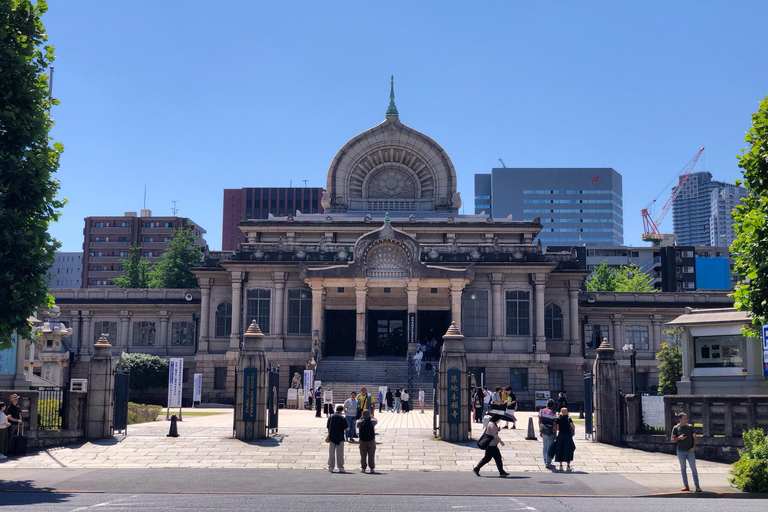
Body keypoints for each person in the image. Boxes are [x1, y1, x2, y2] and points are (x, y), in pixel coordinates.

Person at [671, 412, 702, 492]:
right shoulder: (676, 428)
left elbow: (695, 438)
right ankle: (686, 485)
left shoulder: (690, 427)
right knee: (683, 468)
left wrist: (694, 447)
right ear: (680, 419)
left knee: (693, 468)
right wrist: (679, 438)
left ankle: (697, 485)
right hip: (680, 450)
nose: (686, 420)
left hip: (690, 451)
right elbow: (672, 439)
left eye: (686, 418)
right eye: (684, 418)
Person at [327, 405, 348, 473]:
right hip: (340, 437)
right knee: (340, 453)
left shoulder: (331, 416)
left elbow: (328, 426)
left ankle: (331, 466)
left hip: (332, 437)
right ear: (341, 411)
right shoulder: (342, 418)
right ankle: (340, 467)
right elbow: (345, 428)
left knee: (331, 453)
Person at [356, 409, 378, 473]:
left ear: (362, 415)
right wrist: (372, 416)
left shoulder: (360, 422)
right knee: (371, 455)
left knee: (363, 455)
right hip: (371, 440)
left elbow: (357, 425)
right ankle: (372, 468)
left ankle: (363, 468)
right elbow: (376, 421)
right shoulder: (372, 421)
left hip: (362, 440)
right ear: (369, 414)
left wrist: (361, 417)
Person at [538, 399, 557, 469]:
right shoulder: (553, 413)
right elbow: (554, 424)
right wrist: (555, 433)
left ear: (547, 404)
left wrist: (540, 430)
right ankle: (548, 463)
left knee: (544, 446)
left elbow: (539, 421)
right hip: (550, 431)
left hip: (543, 430)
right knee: (549, 447)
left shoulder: (541, 411)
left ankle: (545, 460)